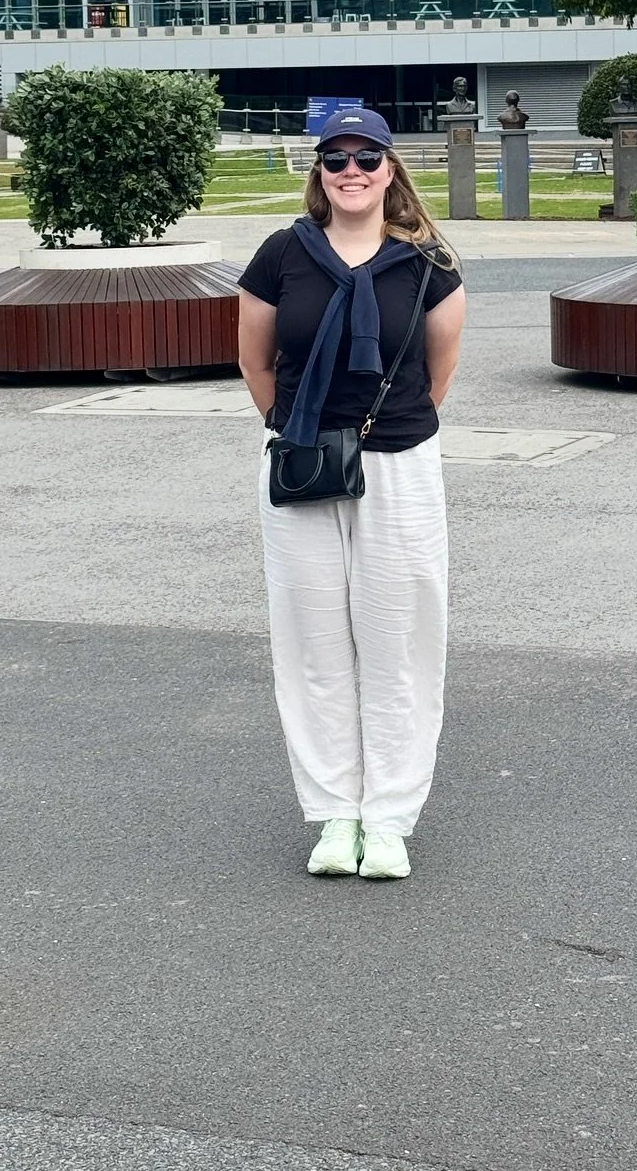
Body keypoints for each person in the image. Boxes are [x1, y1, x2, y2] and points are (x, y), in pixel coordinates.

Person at [237, 107, 467, 880]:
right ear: (319, 172)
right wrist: (292, 424)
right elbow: (255, 360)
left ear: (392, 168)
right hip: (303, 462)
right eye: (335, 157)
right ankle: (335, 814)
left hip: (398, 465)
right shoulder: (281, 255)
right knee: (313, 644)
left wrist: (379, 429)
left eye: (367, 155)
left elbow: (440, 372)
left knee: (399, 641)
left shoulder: (428, 264)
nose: (352, 170)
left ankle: (390, 818)